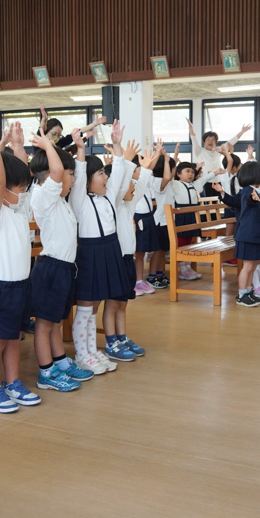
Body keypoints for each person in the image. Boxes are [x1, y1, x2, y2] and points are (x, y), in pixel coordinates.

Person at [0, 121, 40, 413]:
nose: (23, 191)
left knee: (13, 339)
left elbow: (19, 175)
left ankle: (13, 382)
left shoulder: (18, 209)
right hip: (0, 288)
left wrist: (17, 145)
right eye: (20, 187)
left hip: (20, 286)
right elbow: (0, 183)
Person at [27, 132, 93, 392]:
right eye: (69, 174)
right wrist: (45, 145)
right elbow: (55, 169)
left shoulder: (61, 202)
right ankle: (46, 373)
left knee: (55, 321)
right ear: (51, 177)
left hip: (64, 269)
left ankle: (60, 362)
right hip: (50, 269)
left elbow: (71, 176)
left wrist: (78, 151)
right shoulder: (43, 196)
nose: (73, 179)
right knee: (44, 325)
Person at [70, 121, 132, 369]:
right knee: (85, 307)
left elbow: (118, 171)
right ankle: (81, 355)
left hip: (109, 250)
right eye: (99, 174)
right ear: (86, 180)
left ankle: (91, 351)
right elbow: (80, 170)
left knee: (95, 305)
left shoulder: (108, 196)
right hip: (89, 253)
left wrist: (117, 145)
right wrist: (81, 150)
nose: (105, 177)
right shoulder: (79, 200)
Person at [102, 140, 158, 358]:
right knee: (112, 304)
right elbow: (119, 184)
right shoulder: (113, 204)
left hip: (127, 260)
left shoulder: (128, 205)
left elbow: (140, 185)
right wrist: (125, 161)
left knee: (123, 303)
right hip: (115, 259)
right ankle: (111, 343)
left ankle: (122, 338)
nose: (133, 188)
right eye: (130, 185)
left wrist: (145, 169)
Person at [214, 161, 260, 307]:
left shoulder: (252, 191)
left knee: (252, 266)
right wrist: (222, 193)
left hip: (254, 234)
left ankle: (248, 291)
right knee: (248, 266)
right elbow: (247, 201)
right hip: (248, 235)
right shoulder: (248, 192)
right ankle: (242, 295)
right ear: (257, 177)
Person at [169, 145, 219, 280]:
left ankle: (188, 267)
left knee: (189, 241)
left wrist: (215, 173)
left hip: (191, 214)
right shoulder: (175, 184)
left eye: (192, 171)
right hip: (181, 214)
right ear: (178, 174)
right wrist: (174, 158)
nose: (191, 174)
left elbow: (203, 179)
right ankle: (182, 268)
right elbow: (169, 175)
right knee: (181, 241)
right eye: (187, 171)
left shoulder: (194, 185)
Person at [131, 139, 165, 295]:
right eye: (140, 168)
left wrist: (157, 152)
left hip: (148, 217)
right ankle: (135, 281)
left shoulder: (144, 181)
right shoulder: (129, 182)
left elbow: (149, 167)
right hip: (137, 219)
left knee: (143, 251)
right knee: (137, 252)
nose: (145, 170)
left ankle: (139, 281)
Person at [186, 118, 249, 193]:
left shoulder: (217, 150)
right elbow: (194, 139)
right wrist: (191, 128)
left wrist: (242, 132)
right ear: (204, 142)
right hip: (204, 182)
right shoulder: (199, 151)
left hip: (217, 182)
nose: (210, 141)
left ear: (216, 142)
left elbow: (230, 142)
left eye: (213, 139)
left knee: (218, 202)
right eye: (208, 139)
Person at [146, 147, 175, 289]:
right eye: (171, 168)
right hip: (159, 221)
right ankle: (152, 276)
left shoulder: (168, 183)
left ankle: (160, 273)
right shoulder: (158, 182)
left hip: (166, 221)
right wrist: (167, 161)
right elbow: (167, 177)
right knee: (158, 250)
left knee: (163, 249)